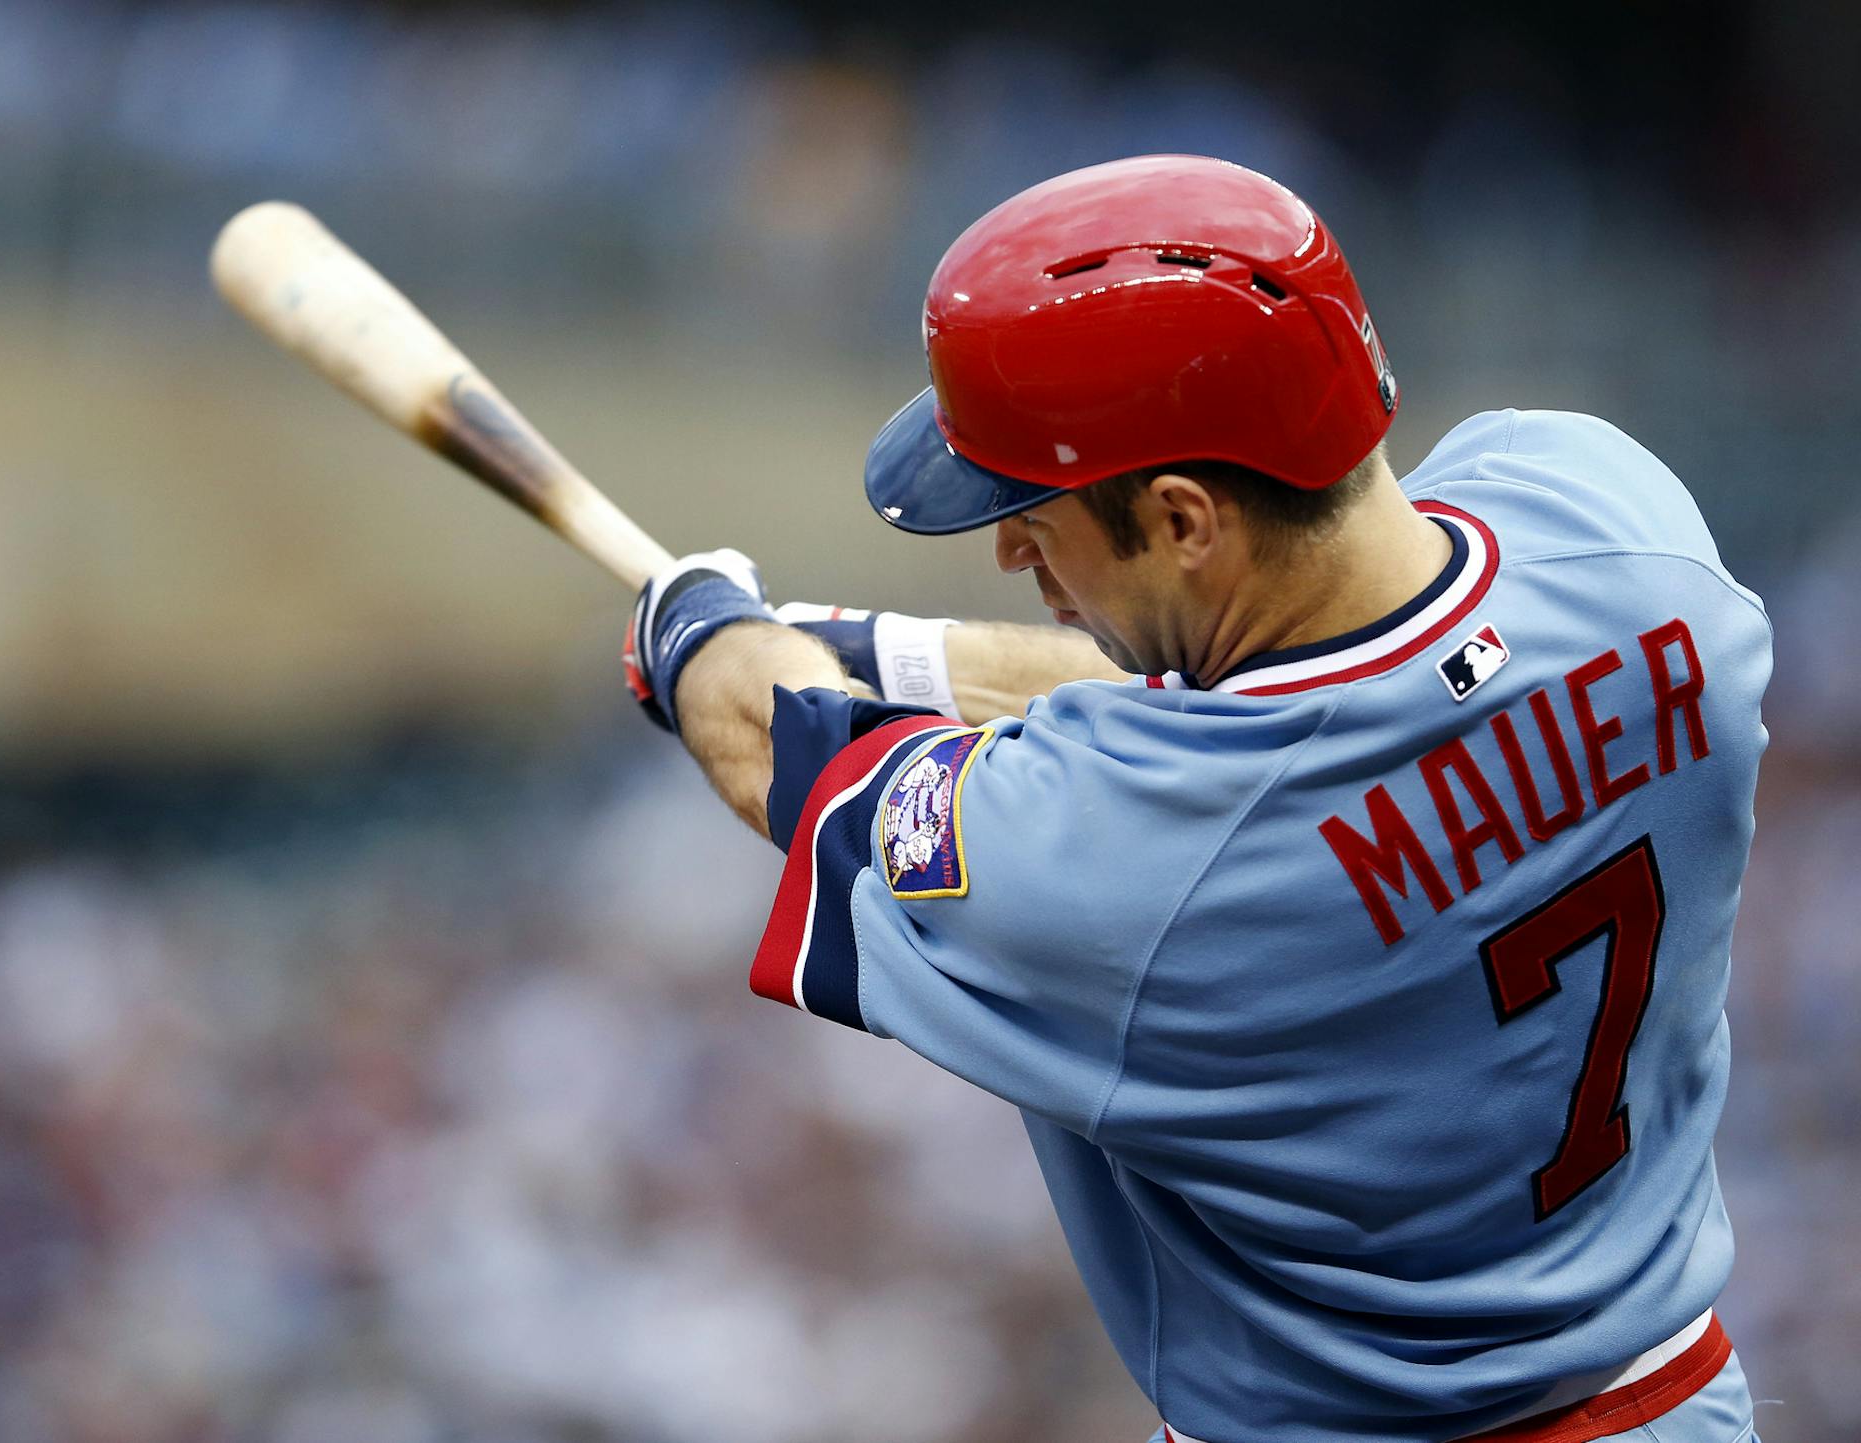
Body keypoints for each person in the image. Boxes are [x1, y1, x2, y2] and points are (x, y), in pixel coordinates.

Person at [622, 155, 1770, 1443]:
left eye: (1032, 511)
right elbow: (1307, 684)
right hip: (1675, 1407)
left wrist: (697, 624)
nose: (1009, 551)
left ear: (1182, 520)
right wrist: (888, 652)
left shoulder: (1126, 867)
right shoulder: (1627, 530)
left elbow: (772, 743)